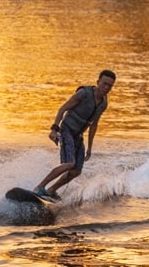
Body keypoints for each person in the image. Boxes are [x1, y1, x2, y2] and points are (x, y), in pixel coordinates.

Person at [32, 69, 117, 199]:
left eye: (110, 86)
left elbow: (94, 125)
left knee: (76, 171)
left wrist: (90, 148)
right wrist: (54, 129)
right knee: (69, 164)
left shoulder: (103, 103)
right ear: (98, 82)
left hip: (78, 136)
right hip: (66, 130)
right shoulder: (83, 93)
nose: (106, 88)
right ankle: (39, 187)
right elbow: (63, 109)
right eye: (104, 84)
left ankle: (51, 190)